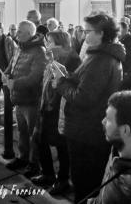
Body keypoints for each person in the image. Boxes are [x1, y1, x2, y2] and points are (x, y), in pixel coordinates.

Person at [53, 12, 125, 202]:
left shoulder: (101, 60)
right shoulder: (100, 56)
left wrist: (60, 83)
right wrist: (67, 76)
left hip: (86, 130)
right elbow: (84, 82)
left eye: (88, 31)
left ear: (101, 33)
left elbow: (83, 98)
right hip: (89, 128)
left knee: (84, 182)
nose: (84, 35)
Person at [32, 31, 80, 195]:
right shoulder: (52, 56)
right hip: (47, 105)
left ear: (60, 43)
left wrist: (58, 83)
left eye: (50, 42)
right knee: (41, 139)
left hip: (60, 108)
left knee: (61, 146)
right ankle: (47, 174)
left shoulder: (72, 58)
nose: (47, 45)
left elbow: (73, 82)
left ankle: (63, 180)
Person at [2, 20, 47, 178]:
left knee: (34, 134)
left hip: (31, 99)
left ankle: (34, 164)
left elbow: (35, 77)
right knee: (21, 131)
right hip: (19, 98)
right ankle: (22, 158)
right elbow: (12, 65)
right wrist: (6, 74)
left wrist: (15, 83)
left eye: (20, 32)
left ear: (29, 34)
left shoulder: (39, 51)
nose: (16, 34)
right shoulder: (20, 47)